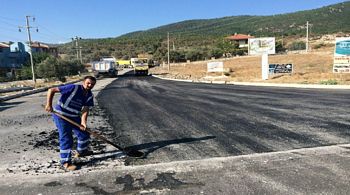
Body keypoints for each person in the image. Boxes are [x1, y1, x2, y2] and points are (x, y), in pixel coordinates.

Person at [45, 76, 97, 171]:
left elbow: (85, 109)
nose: (90, 85)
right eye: (88, 83)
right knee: (66, 138)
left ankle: (81, 151)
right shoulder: (73, 87)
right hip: (61, 115)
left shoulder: (89, 95)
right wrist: (49, 104)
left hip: (74, 116)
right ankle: (65, 162)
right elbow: (51, 90)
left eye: (92, 84)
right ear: (83, 82)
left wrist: (83, 122)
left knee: (84, 133)